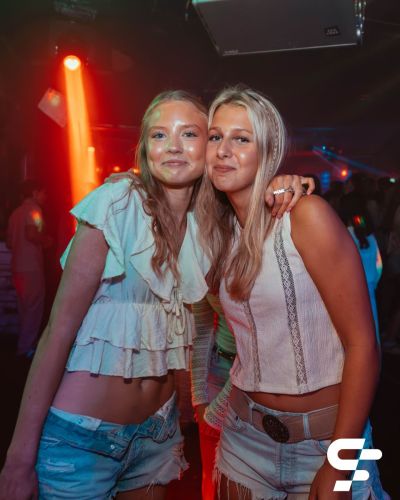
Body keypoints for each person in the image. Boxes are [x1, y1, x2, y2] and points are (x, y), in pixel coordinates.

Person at [0, 90, 313, 500]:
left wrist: (282, 182)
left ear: (210, 146)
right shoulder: (115, 205)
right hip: (83, 440)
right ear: (145, 148)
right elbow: (56, 334)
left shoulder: (211, 226)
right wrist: (18, 458)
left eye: (190, 134)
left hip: (158, 438)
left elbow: (251, 201)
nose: (173, 146)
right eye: (159, 135)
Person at [196, 86, 387, 499]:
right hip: (243, 440)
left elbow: (364, 346)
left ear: (267, 150)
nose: (223, 150)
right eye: (215, 137)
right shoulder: (219, 233)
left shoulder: (305, 216)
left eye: (241, 139)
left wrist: (340, 464)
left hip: (326, 444)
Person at [191, 294, 235, 500]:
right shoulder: (201, 272)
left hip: (257, 375)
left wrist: (216, 412)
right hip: (218, 367)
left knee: (239, 481)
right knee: (211, 478)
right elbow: (201, 331)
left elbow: (259, 347)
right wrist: (199, 397)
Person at [6, 179, 52, 358]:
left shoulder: (15, 213)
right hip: (31, 267)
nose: (45, 197)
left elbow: (10, 243)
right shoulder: (34, 210)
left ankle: (23, 345)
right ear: (34, 192)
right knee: (33, 309)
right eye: (43, 192)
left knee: (23, 308)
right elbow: (32, 233)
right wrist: (46, 240)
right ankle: (27, 347)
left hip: (17, 268)